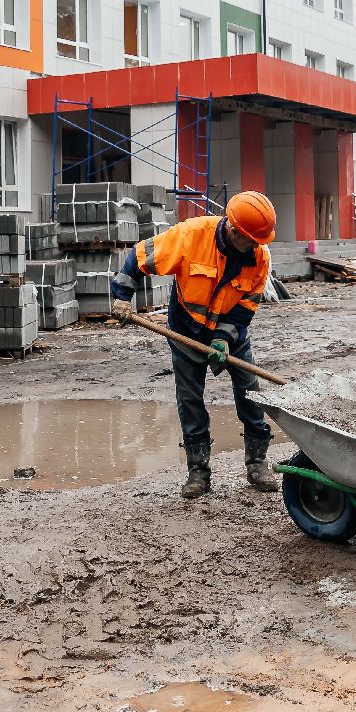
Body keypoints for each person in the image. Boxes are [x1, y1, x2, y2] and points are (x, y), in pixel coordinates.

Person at [110, 192, 279, 498]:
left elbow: (246, 305)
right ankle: (198, 472)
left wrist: (224, 339)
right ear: (234, 230)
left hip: (231, 335)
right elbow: (138, 257)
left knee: (250, 393)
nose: (257, 246)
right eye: (253, 240)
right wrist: (122, 297)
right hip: (186, 331)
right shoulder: (190, 237)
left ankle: (257, 462)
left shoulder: (259, 257)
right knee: (190, 400)